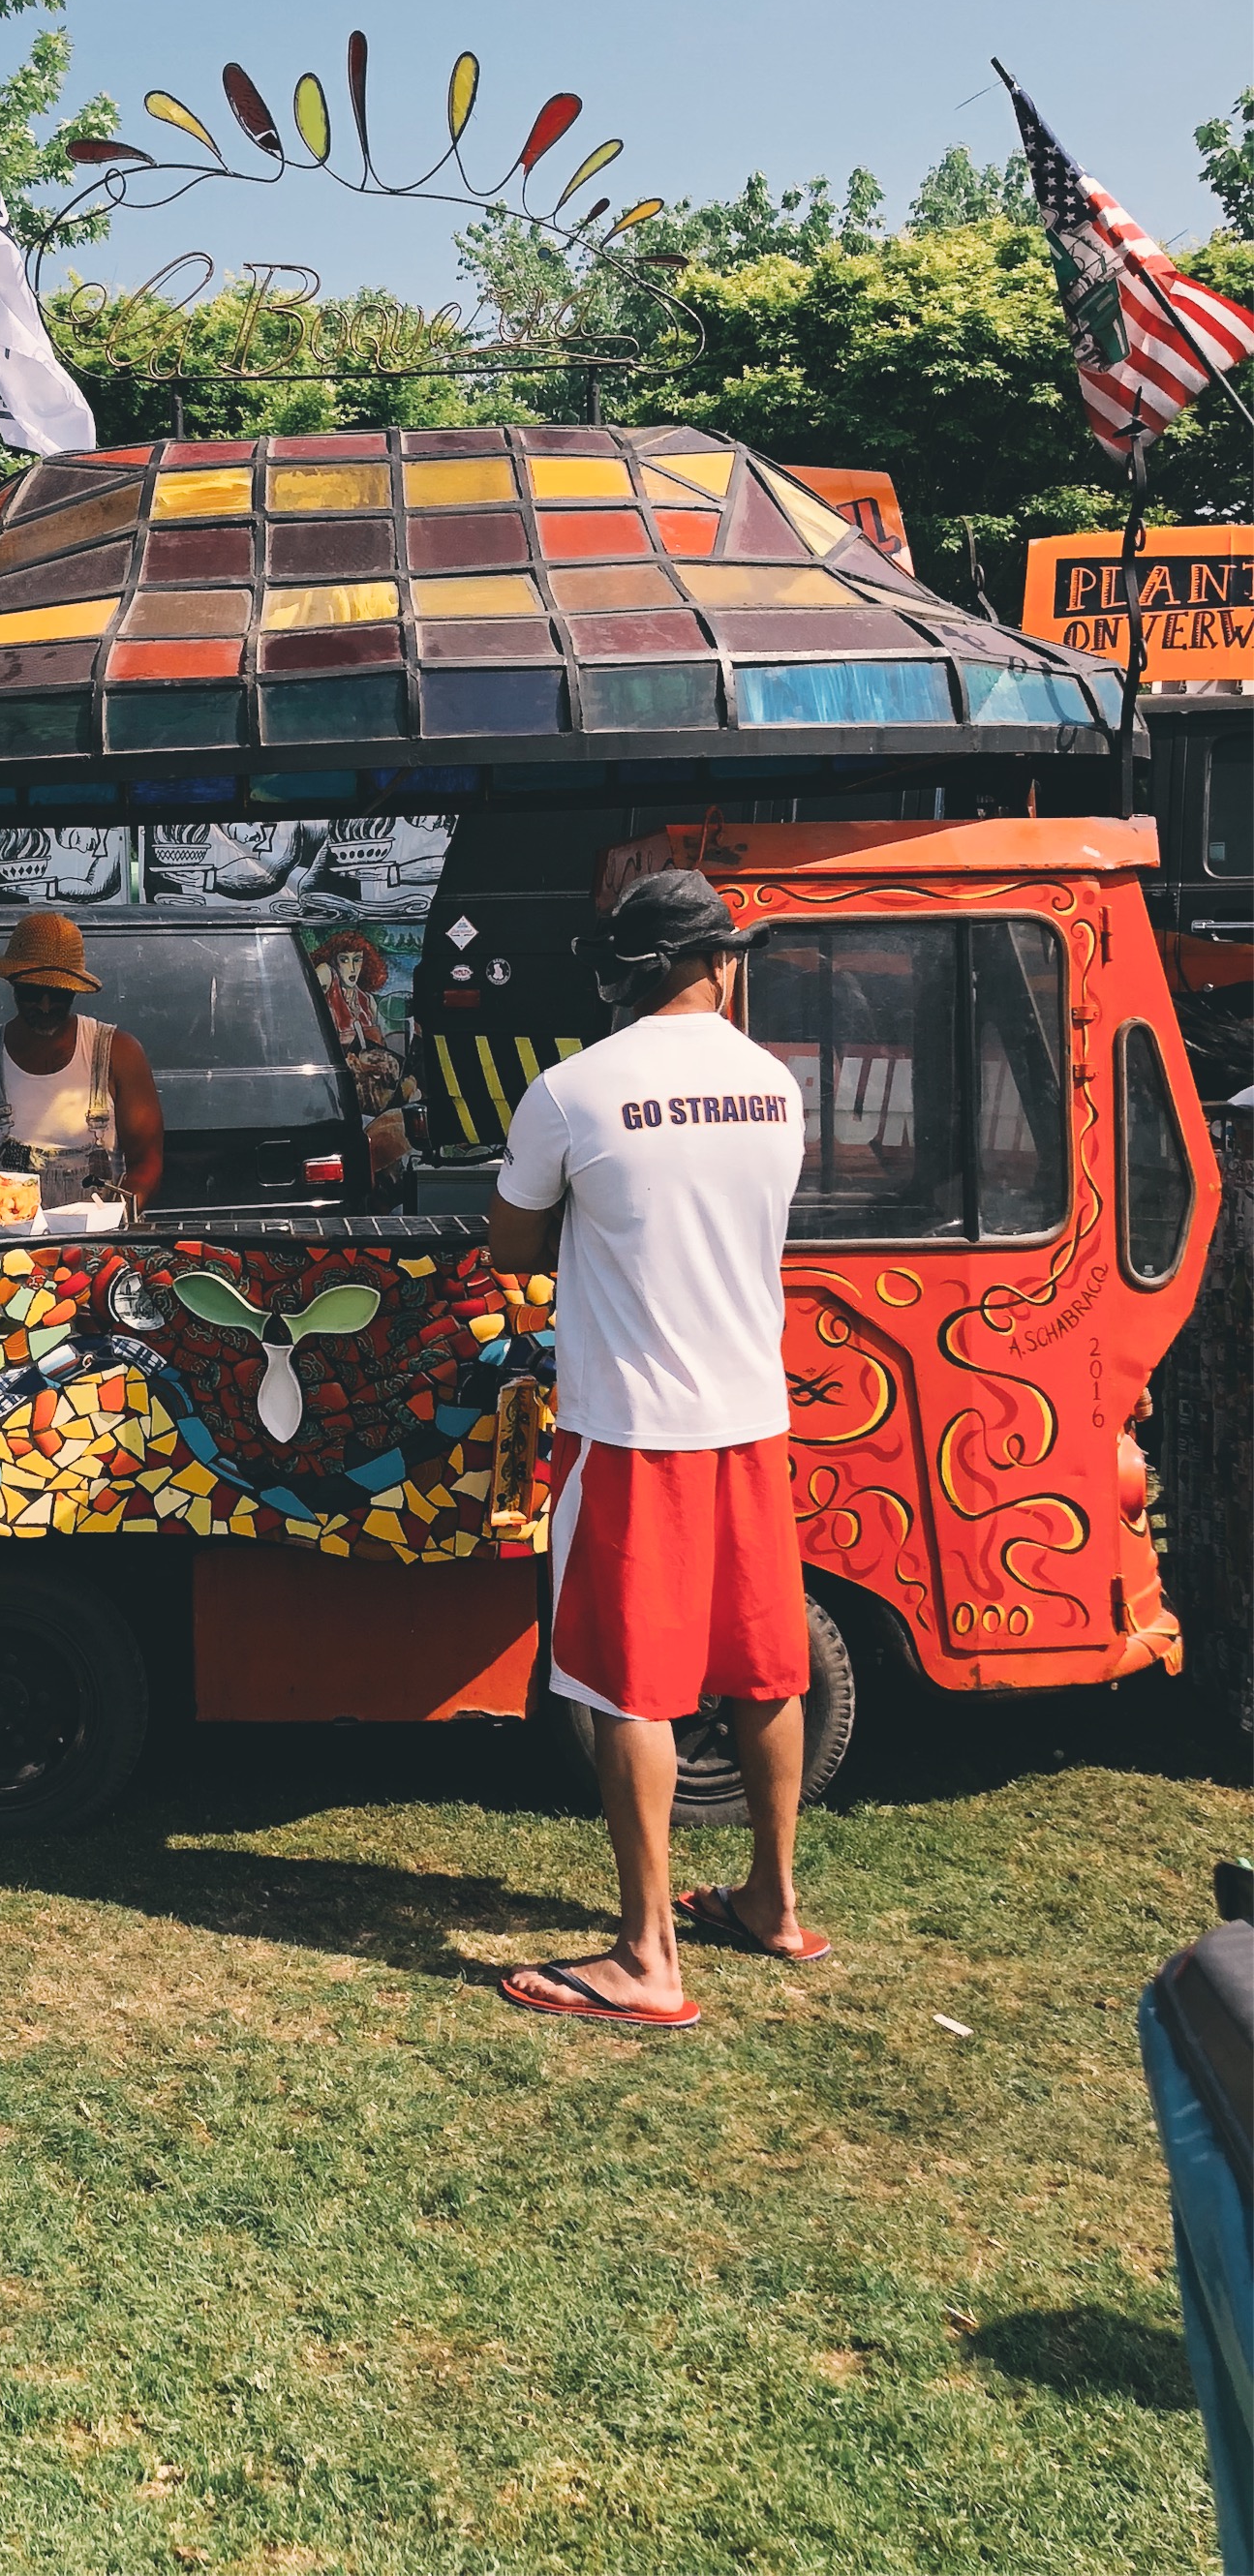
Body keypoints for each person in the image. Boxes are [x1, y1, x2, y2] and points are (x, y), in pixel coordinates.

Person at [485, 868, 824, 2031]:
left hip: (631, 1426)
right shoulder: (774, 1086)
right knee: (767, 1665)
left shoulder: (572, 1091)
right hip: (751, 1417)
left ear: (621, 973)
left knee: (627, 1685)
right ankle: (773, 1901)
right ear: (721, 963)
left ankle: (646, 1955)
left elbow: (512, 1247)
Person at [0, 913, 165, 1216]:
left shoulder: (117, 1053)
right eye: (32, 992)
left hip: (101, 1239)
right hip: (10, 1242)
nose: (45, 1005)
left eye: (59, 993)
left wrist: (117, 1218)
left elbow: (147, 1162)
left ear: (75, 989)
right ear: (13, 983)